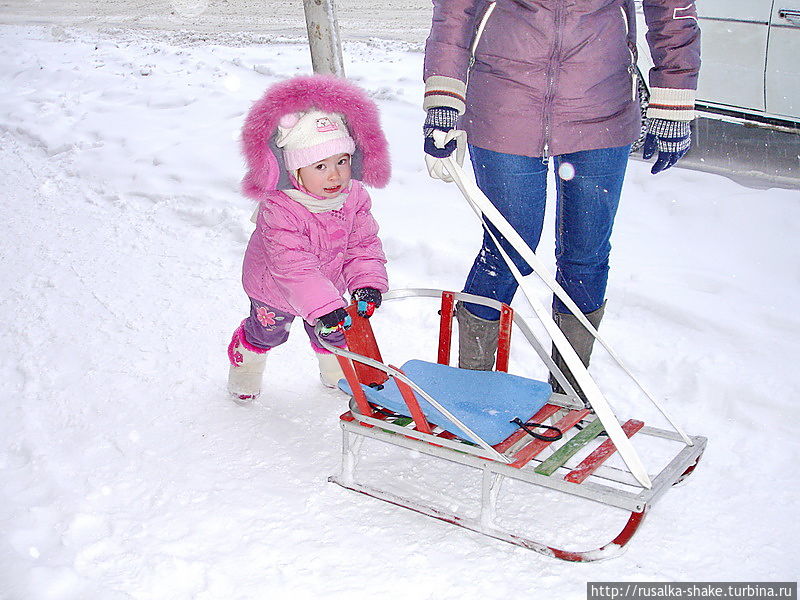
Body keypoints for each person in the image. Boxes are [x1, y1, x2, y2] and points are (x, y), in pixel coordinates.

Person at [422, 0, 700, 400]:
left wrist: (673, 98)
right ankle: (471, 389)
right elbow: (455, 11)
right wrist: (444, 96)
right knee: (507, 251)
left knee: (585, 254)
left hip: (601, 105)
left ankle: (570, 392)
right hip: (505, 100)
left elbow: (672, 10)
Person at [227, 75, 391, 401]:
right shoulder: (280, 208)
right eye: (320, 166)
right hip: (274, 290)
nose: (335, 175)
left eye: (342, 161)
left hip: (327, 284)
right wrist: (325, 306)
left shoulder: (353, 196)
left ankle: (335, 376)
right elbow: (293, 268)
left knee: (334, 332)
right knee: (268, 334)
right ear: (296, 171)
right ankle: (246, 357)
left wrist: (366, 282)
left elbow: (363, 244)